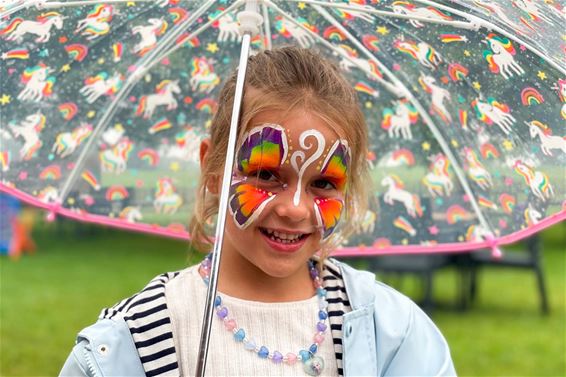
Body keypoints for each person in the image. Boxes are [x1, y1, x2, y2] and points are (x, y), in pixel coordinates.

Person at [60, 47, 456, 377]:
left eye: (323, 183)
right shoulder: (135, 341)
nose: (295, 208)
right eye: (266, 174)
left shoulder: (390, 332)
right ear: (213, 169)